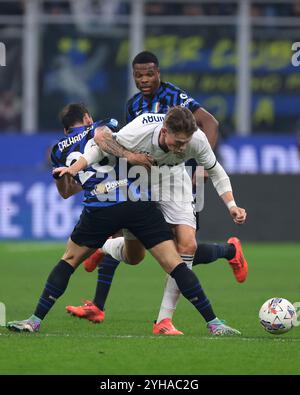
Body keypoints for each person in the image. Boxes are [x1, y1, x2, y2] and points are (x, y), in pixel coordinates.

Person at [6, 104, 242, 336]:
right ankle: (214, 322)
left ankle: (34, 320)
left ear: (66, 130)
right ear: (88, 119)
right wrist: (128, 154)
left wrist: (69, 171)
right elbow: (102, 137)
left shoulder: (58, 150)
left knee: (69, 260)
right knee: (174, 263)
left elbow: (67, 191)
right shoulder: (103, 125)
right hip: (136, 200)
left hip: (101, 207)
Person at [68, 51, 248, 335]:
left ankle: (164, 321)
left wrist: (232, 205)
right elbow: (104, 142)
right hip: (142, 178)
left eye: (149, 73)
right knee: (136, 255)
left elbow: (216, 167)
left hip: (175, 179)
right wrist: (82, 166)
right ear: (164, 131)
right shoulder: (139, 122)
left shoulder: (193, 135)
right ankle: (103, 249)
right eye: (138, 75)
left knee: (186, 246)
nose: (181, 147)